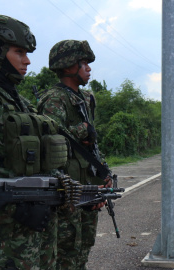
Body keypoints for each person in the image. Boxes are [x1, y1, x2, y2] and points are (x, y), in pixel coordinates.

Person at [0, 14, 63, 269]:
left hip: (41, 215)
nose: (27, 61)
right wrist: (14, 205)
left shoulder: (17, 100)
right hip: (13, 225)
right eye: (19, 52)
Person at [37, 40, 111, 270]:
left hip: (88, 184)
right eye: (83, 63)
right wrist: (80, 131)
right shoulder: (54, 99)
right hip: (68, 189)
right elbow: (50, 144)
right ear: (69, 66)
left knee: (84, 245)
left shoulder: (85, 99)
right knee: (66, 248)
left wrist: (103, 171)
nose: (88, 68)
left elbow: (91, 146)